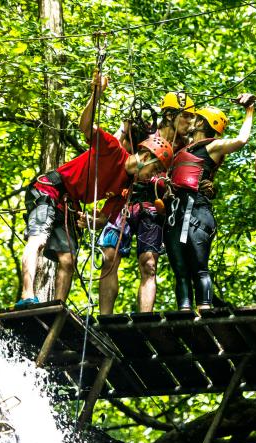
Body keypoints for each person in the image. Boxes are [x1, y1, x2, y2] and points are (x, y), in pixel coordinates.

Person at [17, 72, 154, 306]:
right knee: (38, 239)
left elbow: (102, 218)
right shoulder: (112, 148)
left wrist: (91, 220)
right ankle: (27, 295)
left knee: (68, 260)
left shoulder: (126, 188)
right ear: (144, 156)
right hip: (50, 190)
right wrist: (96, 94)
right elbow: (86, 126)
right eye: (154, 168)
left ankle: (56, 308)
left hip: (70, 203)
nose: (152, 175)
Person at [97, 92, 194, 314]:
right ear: (169, 115)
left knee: (149, 263)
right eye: (186, 116)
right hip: (124, 200)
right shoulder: (144, 131)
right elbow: (112, 152)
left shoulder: (186, 147)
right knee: (109, 257)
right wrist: (125, 127)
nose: (190, 122)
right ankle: (105, 318)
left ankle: (144, 318)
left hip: (154, 207)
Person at [164, 94, 256, 310]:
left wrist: (249, 111)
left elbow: (241, 140)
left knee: (198, 267)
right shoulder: (184, 149)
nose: (191, 121)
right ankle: (184, 310)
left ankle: (204, 308)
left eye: (196, 118)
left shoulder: (212, 146)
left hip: (195, 210)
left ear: (203, 123)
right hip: (176, 212)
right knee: (180, 269)